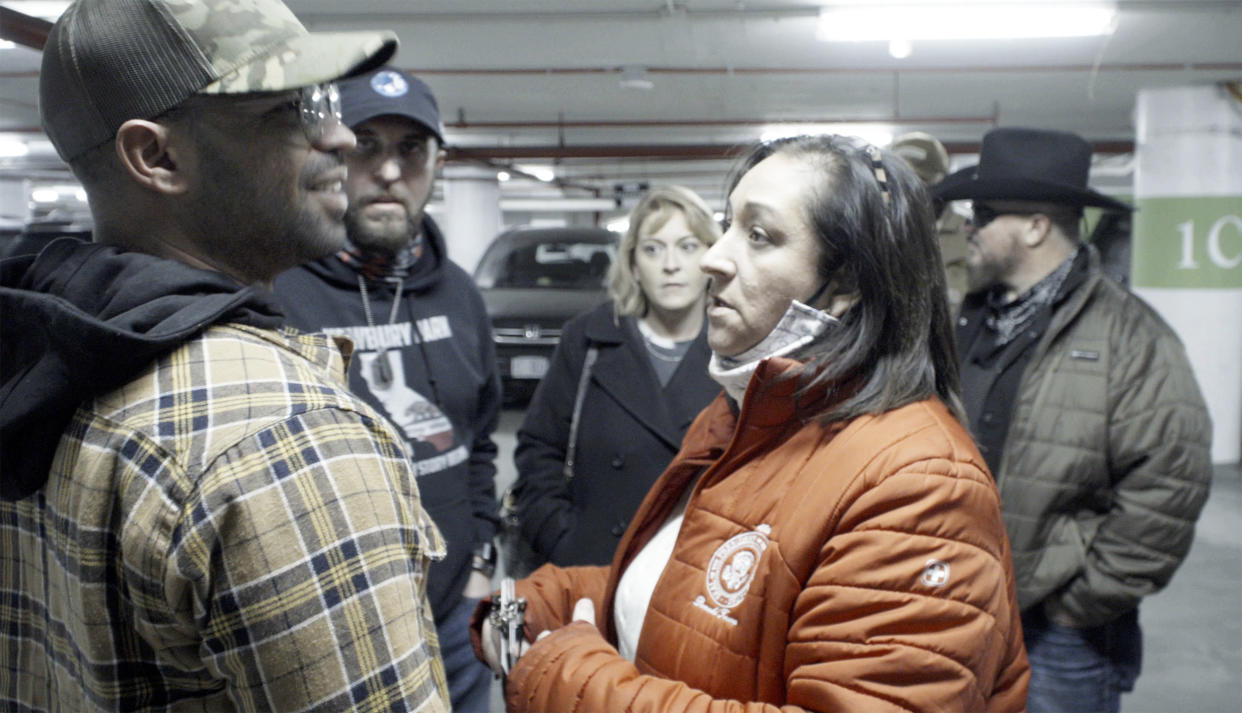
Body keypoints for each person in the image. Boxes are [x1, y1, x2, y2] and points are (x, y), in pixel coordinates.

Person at [473, 134, 1029, 712]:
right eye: (727, 225)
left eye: (758, 236)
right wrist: (554, 598)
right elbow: (694, 597)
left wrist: (569, 678)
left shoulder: (920, 488)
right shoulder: (751, 413)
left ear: (845, 286)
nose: (713, 258)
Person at [0, 1, 451, 711]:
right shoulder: (285, 435)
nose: (338, 135)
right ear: (158, 156)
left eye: (324, 100)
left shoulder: (40, 357)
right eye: (290, 109)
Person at [935, 126, 1213, 713]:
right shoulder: (968, 322)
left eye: (983, 214)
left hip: (1061, 639)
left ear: (1035, 227)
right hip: (958, 612)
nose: (968, 228)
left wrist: (1076, 606)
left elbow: (1170, 483)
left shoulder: (1131, 337)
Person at [272, 65, 501, 713]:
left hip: (455, 618)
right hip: (332, 629)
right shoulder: (277, 290)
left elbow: (480, 442)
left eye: (411, 149)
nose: (390, 171)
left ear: (437, 163)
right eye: (366, 144)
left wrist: (481, 557)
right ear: (329, 153)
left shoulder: (461, 295)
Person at [509, 185, 722, 572]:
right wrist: (565, 540)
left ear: (712, 256)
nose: (670, 264)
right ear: (634, 264)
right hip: (596, 567)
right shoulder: (589, 340)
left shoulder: (737, 350)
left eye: (688, 246)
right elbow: (539, 450)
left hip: (696, 573)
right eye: (653, 249)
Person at [892, 130, 972, 313]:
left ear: (939, 181)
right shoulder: (872, 234)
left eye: (917, 182)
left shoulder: (969, 235)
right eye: (895, 182)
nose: (904, 193)